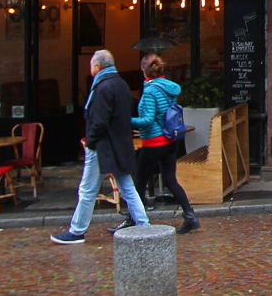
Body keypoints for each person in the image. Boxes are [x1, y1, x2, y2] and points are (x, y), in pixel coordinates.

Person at [51, 49, 149, 244]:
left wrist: (91, 142)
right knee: (127, 187)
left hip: (103, 146)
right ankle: (144, 224)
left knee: (87, 190)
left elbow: (99, 121)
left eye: (91, 66)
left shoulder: (103, 87)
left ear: (97, 66)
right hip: (120, 143)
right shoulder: (121, 84)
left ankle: (77, 231)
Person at [131, 53, 200, 235]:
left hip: (154, 141)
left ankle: (135, 218)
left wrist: (127, 121)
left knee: (139, 181)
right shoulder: (169, 88)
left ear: (144, 72)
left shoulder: (149, 92)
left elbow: (146, 120)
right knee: (170, 180)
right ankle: (190, 215)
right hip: (171, 140)